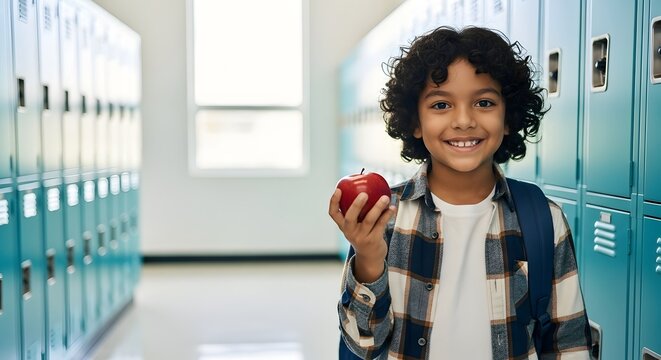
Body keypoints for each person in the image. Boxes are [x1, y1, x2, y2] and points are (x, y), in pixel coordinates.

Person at [328, 26, 592, 359]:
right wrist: (368, 258)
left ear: (508, 117)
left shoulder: (543, 218)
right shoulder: (385, 217)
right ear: (415, 121)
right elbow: (363, 347)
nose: (464, 120)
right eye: (441, 105)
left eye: (484, 102)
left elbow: (569, 344)